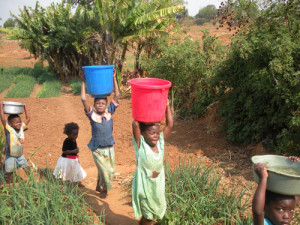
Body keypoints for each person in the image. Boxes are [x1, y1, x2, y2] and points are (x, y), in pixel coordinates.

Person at [132, 100, 173, 225]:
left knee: (156, 209)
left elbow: (169, 125)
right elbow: (135, 124)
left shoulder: (160, 143)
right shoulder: (141, 145)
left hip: (157, 183)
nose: (156, 135)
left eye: (157, 132)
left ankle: (143, 222)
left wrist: (166, 106)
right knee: (148, 213)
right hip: (144, 185)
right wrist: (140, 110)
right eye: (152, 133)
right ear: (143, 134)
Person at [80, 68, 120, 198]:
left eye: (103, 103)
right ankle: (104, 190)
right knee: (105, 170)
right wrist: (83, 82)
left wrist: (114, 78)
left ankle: (98, 184)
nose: (101, 105)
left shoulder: (109, 112)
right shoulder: (92, 116)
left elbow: (117, 95)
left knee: (110, 170)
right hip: (97, 148)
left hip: (109, 147)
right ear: (95, 105)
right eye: (98, 103)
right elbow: (83, 99)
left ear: (106, 105)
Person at [252, 156, 300, 225]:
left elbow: (297, 191)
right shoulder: (263, 223)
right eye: (280, 209)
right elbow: (257, 212)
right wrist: (263, 178)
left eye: (291, 210)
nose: (287, 216)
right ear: (265, 207)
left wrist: (296, 165)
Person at [0, 102, 30, 182]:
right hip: (10, 155)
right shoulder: (9, 129)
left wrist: (25, 107)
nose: (19, 124)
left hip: (19, 155)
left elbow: (28, 119)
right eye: (16, 122)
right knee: (9, 171)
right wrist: (1, 106)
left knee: (27, 167)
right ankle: (9, 182)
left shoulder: (21, 129)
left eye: (19, 122)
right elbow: (3, 119)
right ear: (10, 123)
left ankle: (31, 180)